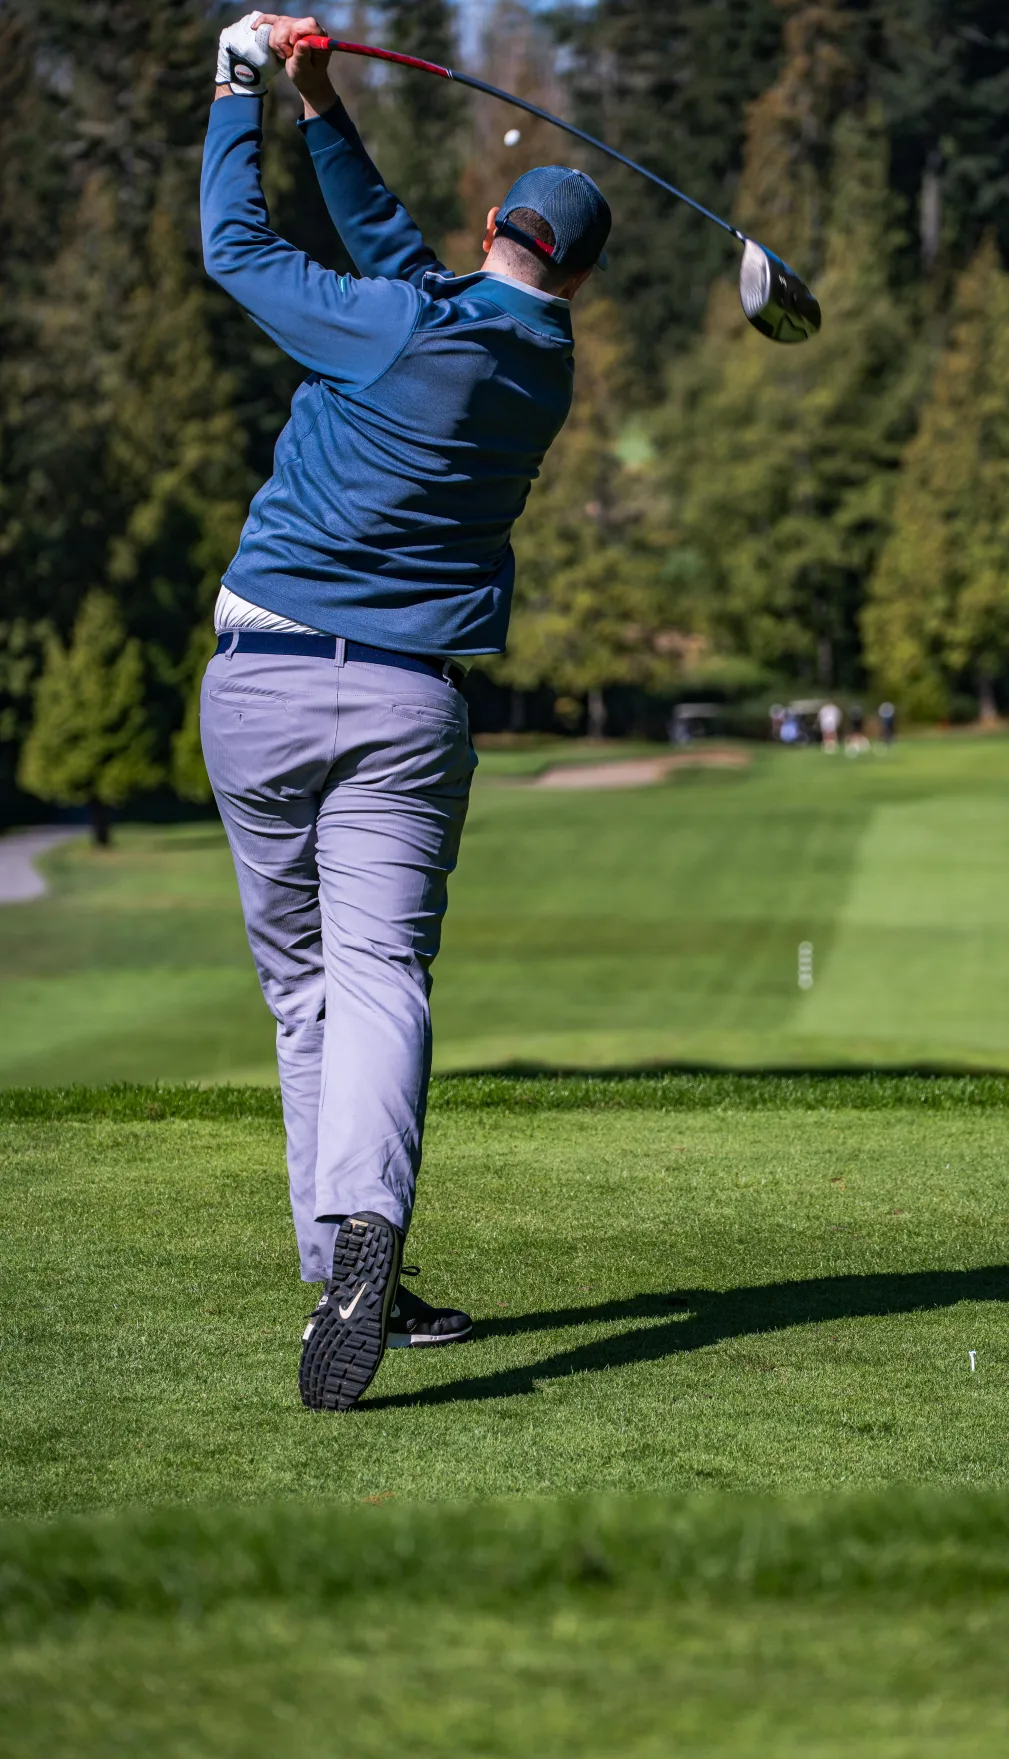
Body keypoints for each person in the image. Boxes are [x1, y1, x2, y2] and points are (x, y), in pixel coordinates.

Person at [200, 14, 611, 1411]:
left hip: (262, 684)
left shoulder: (403, 326)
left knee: (305, 988)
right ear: (578, 275)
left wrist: (235, 87)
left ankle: (342, 1259)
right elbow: (394, 262)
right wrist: (320, 111)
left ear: (492, 220)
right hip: (409, 706)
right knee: (382, 977)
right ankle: (366, 1239)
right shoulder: (532, 366)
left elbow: (235, 252)